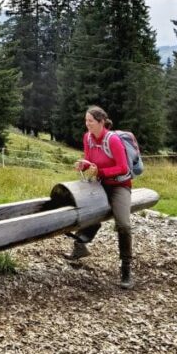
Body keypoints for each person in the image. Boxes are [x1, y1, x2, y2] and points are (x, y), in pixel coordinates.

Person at [67, 106, 135, 290]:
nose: (86, 124)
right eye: (86, 120)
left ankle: (126, 268)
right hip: (100, 183)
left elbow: (123, 168)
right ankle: (80, 245)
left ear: (101, 122)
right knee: (85, 208)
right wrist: (83, 166)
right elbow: (90, 162)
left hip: (119, 185)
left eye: (90, 121)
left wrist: (101, 172)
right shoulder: (87, 137)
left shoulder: (112, 140)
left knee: (123, 225)